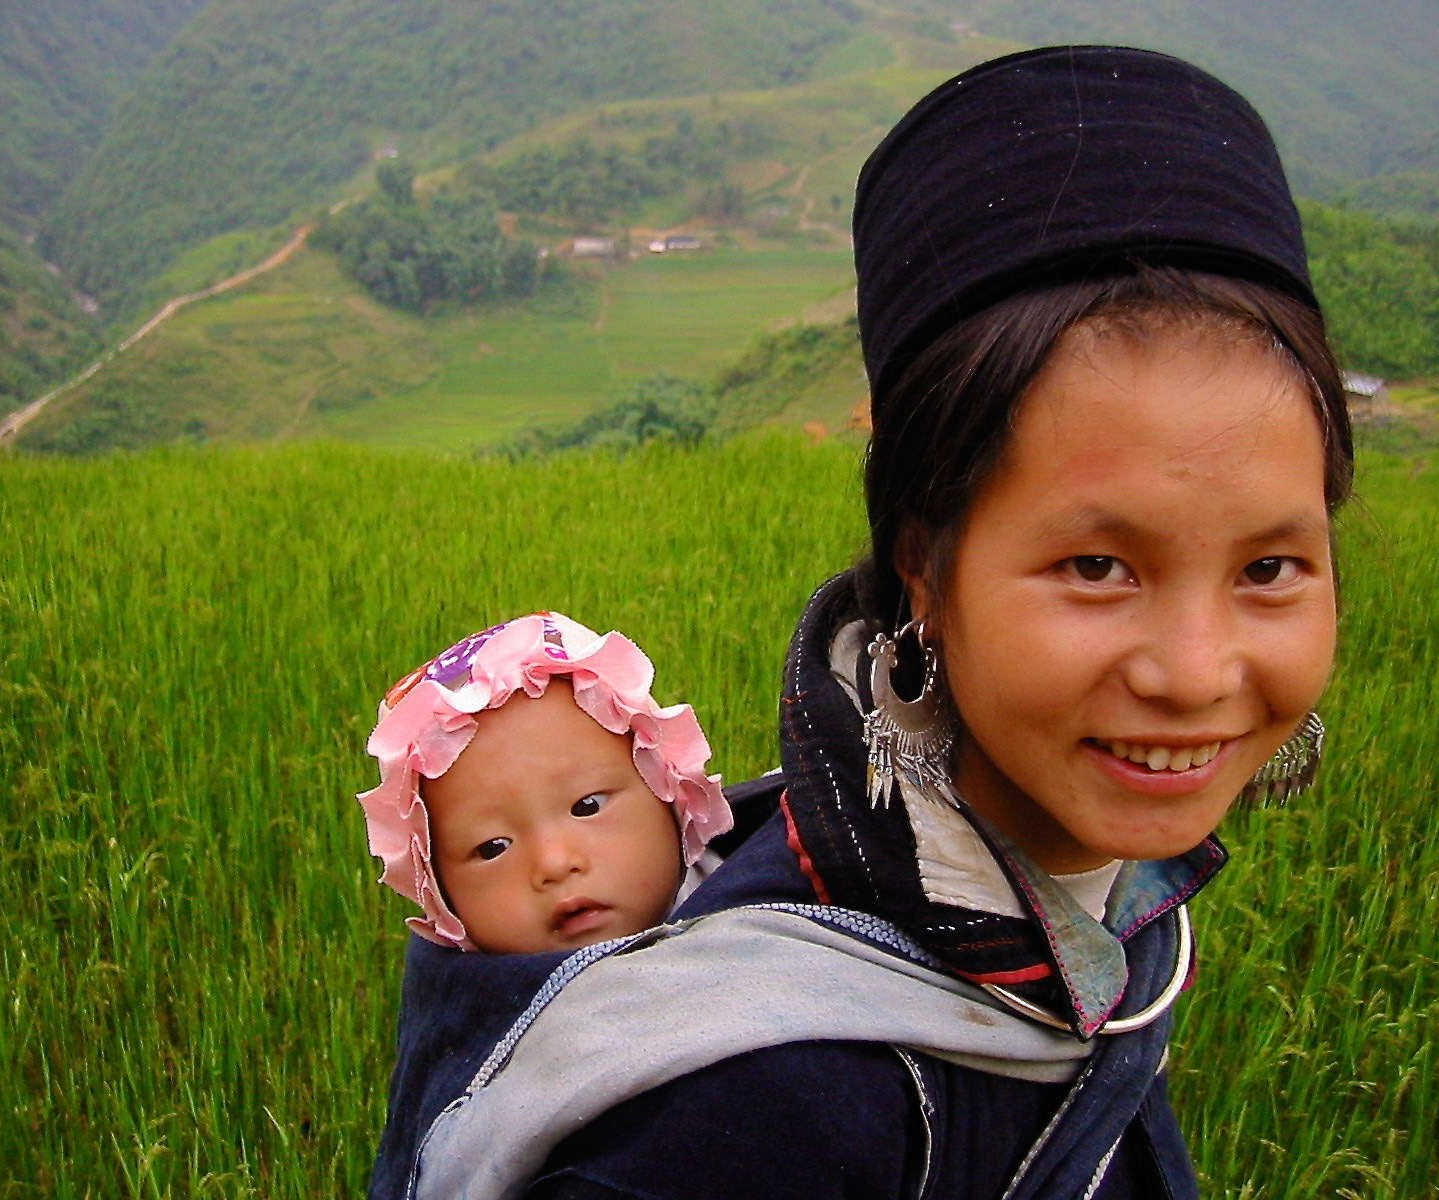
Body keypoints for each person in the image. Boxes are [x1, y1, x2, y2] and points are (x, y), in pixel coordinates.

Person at [369, 46, 1352, 1200]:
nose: (1196, 674)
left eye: (1272, 567)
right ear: (921, 569)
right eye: (1096, 565)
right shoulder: (752, 1113)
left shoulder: (1085, 898)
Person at [356, 610, 734, 954]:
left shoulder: (763, 885)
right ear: (439, 895)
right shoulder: (475, 1014)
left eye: (588, 806)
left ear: (672, 790)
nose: (553, 864)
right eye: (493, 847)